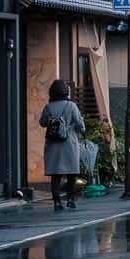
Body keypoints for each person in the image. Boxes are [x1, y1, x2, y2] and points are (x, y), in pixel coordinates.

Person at [40, 80, 86, 211]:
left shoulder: (48, 107)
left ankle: (57, 202)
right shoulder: (71, 106)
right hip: (69, 143)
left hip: (53, 143)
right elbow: (80, 124)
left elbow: (42, 122)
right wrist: (83, 130)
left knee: (55, 175)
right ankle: (70, 200)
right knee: (71, 174)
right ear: (66, 91)